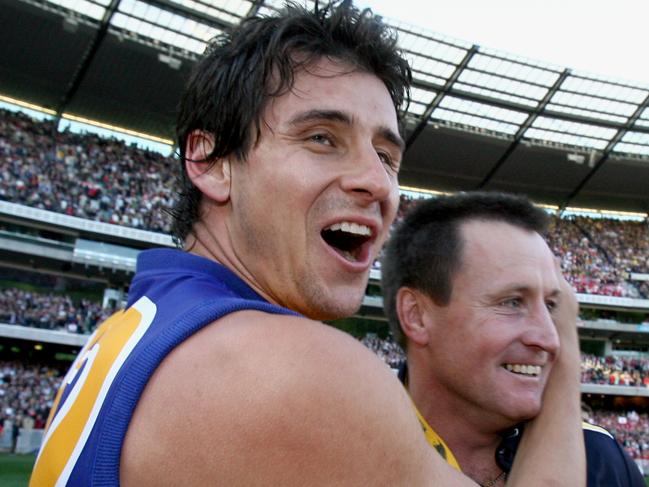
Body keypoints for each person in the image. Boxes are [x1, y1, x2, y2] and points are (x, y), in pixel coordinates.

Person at [30, 3, 584, 486]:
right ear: (210, 162)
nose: (376, 181)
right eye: (322, 138)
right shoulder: (292, 370)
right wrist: (564, 342)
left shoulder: (133, 328)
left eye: (387, 157)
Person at [381, 191, 644, 487]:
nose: (550, 339)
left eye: (552, 306)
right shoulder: (348, 445)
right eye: (512, 302)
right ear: (416, 316)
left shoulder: (602, 460)